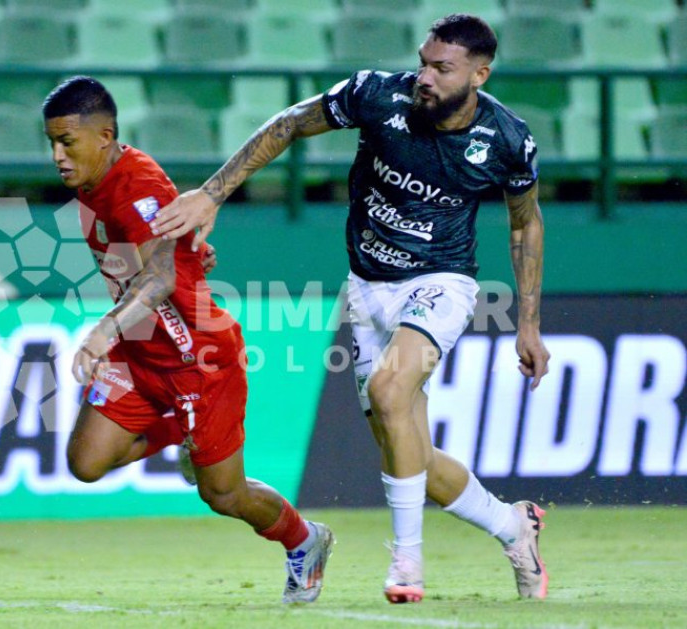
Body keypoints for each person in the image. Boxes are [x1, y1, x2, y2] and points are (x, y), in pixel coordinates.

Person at [149, 14, 550, 604]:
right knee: (407, 449)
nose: (425, 77)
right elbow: (289, 123)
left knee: (391, 392)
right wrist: (213, 191)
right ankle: (514, 527)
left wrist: (530, 324)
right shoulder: (375, 94)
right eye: (423, 61)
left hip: (441, 281)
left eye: (442, 68)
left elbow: (525, 225)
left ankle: (407, 565)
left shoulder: (508, 140)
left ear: (479, 73)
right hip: (366, 289)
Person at [42, 76, 335, 604]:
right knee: (85, 463)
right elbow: (161, 251)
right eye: (52, 144)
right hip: (140, 354)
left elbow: (159, 279)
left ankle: (304, 540)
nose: (58, 156)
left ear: (104, 135)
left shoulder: (135, 185)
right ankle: (182, 429)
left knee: (222, 494)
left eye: (67, 142)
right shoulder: (93, 182)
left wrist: (103, 330)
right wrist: (192, 253)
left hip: (197, 360)